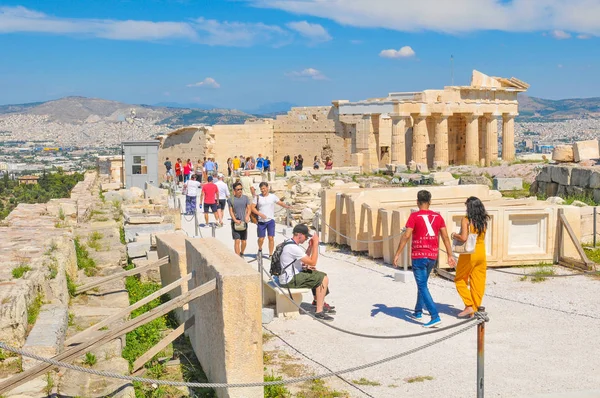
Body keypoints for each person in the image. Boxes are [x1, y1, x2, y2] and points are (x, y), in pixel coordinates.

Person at [393, 190, 456, 328]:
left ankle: (435, 316)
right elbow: (445, 237)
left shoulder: (414, 216)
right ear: (430, 202)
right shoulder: (437, 217)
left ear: (417, 202)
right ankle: (418, 311)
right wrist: (450, 254)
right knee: (423, 285)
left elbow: (406, 236)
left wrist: (398, 253)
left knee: (422, 286)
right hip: (432, 255)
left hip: (418, 255)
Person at [279, 224, 335, 321]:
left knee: (314, 273)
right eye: (305, 236)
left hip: (286, 276)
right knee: (323, 278)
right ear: (299, 235)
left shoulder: (289, 243)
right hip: (290, 280)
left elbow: (304, 259)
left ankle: (317, 301)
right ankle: (319, 311)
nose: (306, 239)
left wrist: (310, 247)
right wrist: (316, 245)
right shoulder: (293, 248)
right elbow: (313, 261)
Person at [451, 196, 489, 318]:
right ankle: (476, 307)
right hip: (481, 252)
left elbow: (463, 238)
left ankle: (469, 305)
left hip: (469, 253)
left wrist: (454, 235)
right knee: (478, 281)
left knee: (459, 279)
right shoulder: (483, 220)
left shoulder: (466, 220)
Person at [252, 182, 291, 259]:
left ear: (267, 188)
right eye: (261, 189)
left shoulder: (272, 196)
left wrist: (287, 206)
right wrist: (260, 214)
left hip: (270, 220)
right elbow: (252, 208)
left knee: (271, 238)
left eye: (264, 188)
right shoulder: (257, 197)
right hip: (261, 221)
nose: (263, 190)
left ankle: (270, 254)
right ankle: (260, 249)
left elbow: (279, 202)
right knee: (261, 239)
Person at [228, 182, 251, 257]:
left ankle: (242, 252)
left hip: (244, 222)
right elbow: (231, 211)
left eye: (241, 189)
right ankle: (237, 257)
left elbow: (249, 208)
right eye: (238, 189)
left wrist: (247, 216)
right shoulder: (231, 199)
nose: (240, 191)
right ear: (234, 190)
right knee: (237, 240)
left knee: (244, 241)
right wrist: (235, 220)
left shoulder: (245, 198)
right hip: (235, 222)